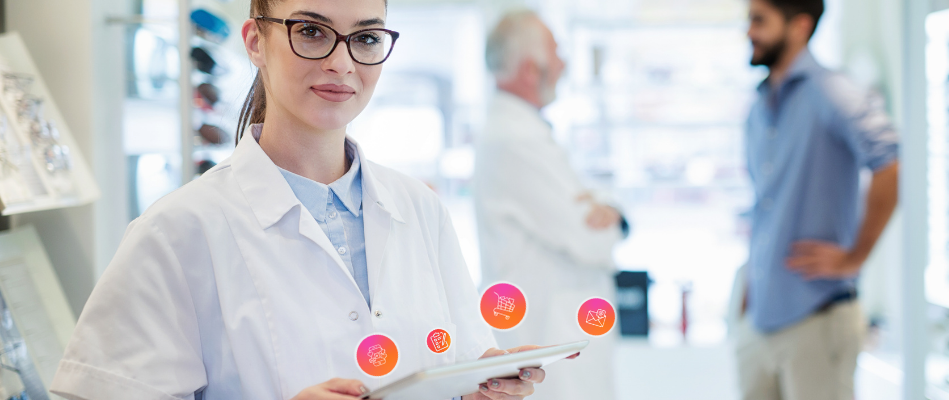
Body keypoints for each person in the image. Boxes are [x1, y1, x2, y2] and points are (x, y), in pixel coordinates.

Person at [48, 1, 556, 399]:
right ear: (255, 40)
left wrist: (481, 390)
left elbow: (459, 364)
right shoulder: (178, 231)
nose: (342, 62)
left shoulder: (421, 210)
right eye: (311, 31)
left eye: (366, 37)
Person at [737, 0, 900, 399]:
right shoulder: (760, 106)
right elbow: (766, 205)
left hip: (816, 314)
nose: (749, 32)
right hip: (758, 317)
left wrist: (855, 256)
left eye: (760, 21)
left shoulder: (833, 91)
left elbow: (892, 164)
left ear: (799, 26)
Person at [474, 10, 626, 400]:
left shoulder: (525, 132)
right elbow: (591, 239)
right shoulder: (515, 140)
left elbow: (591, 207)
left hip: (557, 334)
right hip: (547, 339)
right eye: (556, 52)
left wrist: (605, 206)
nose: (563, 63)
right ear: (530, 69)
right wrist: (613, 217)